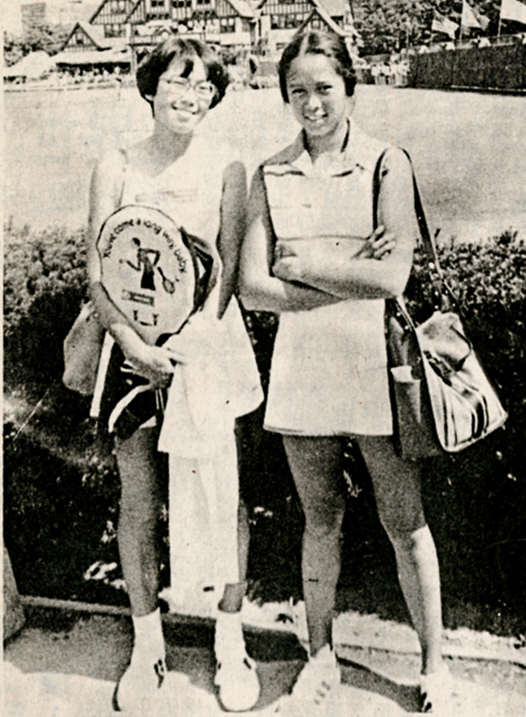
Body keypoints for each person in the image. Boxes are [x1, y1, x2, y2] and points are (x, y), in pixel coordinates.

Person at [240, 30, 449, 715]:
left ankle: (434, 666)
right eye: (297, 90)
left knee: (404, 519)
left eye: (324, 87)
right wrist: (346, 273)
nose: (312, 103)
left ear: (350, 87)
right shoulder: (268, 173)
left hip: (378, 369)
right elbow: (250, 287)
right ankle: (320, 655)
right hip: (302, 371)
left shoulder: (388, 162)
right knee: (319, 520)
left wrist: (301, 267)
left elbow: (391, 275)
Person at [87, 37, 263, 713]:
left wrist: (186, 343)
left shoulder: (228, 164)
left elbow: (224, 268)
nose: (191, 96)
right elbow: (97, 269)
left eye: (204, 87)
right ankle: (146, 645)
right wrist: (134, 342)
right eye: (178, 81)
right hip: (129, 354)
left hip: (206, 351)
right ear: (151, 86)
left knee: (226, 498)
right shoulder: (117, 161)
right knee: (136, 499)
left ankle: (229, 642)